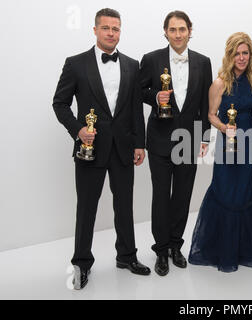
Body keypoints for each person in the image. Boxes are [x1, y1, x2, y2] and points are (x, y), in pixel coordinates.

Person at [53, 8, 150, 290]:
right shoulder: (75, 64)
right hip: (89, 149)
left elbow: (134, 109)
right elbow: (59, 103)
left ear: (121, 31)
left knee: (124, 206)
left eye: (116, 28)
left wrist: (139, 144)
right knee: (86, 208)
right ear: (95, 30)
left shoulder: (132, 65)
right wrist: (78, 130)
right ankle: (81, 264)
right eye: (106, 28)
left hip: (123, 147)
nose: (111, 33)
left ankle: (127, 256)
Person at [188, 32, 252, 272]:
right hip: (228, 145)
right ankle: (222, 250)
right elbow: (209, 115)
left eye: (245, 53)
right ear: (230, 55)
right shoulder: (219, 82)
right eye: (237, 53)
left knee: (246, 190)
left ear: (251, 55)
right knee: (225, 190)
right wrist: (224, 127)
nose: (241, 58)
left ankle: (245, 248)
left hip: (250, 142)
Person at [140, 10, 212, 276]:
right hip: (159, 140)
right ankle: (160, 250)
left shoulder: (204, 62)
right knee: (160, 197)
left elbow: (205, 103)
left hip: (189, 141)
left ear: (190, 31)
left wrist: (205, 137)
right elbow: (139, 91)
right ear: (166, 32)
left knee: (182, 197)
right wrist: (155, 96)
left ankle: (175, 246)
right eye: (173, 30)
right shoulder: (151, 59)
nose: (178, 34)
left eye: (182, 29)